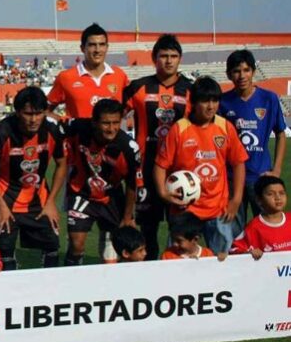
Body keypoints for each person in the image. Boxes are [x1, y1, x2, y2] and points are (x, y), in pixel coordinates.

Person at [154, 76, 248, 259]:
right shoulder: (180, 129)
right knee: (174, 261)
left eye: (215, 101)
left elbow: (238, 163)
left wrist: (236, 199)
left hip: (218, 209)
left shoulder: (225, 127)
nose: (210, 106)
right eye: (205, 101)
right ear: (194, 102)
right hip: (184, 210)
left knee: (222, 262)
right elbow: (160, 165)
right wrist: (164, 194)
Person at [0, 87, 67, 270]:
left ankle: (48, 295)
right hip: (6, 200)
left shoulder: (52, 130)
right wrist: (0, 204)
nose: (34, 119)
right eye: (28, 113)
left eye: (38, 113)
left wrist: (51, 202)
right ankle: (11, 296)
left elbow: (62, 164)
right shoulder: (1, 132)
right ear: (18, 111)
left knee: (52, 249)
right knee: (6, 255)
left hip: (40, 201)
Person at [123, 34, 192, 260]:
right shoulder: (139, 87)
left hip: (179, 172)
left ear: (180, 59)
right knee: (148, 230)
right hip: (146, 170)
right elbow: (113, 117)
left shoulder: (191, 90)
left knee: (180, 231)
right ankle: (151, 274)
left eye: (173, 56)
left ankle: (177, 277)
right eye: (163, 56)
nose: (169, 61)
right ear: (154, 59)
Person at [63, 99, 142, 266]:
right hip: (81, 192)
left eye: (115, 123)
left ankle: (111, 285)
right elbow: (52, 120)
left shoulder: (128, 147)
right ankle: (71, 281)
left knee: (114, 248)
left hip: (112, 196)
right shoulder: (79, 127)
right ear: (94, 122)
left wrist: (127, 217)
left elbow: (132, 184)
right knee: (76, 244)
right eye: (106, 123)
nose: (111, 128)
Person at [219, 50, 287, 235]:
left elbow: (281, 133)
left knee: (266, 230)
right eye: (236, 71)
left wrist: (277, 170)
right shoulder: (223, 102)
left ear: (253, 71)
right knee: (234, 233)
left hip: (261, 177)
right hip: (233, 178)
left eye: (246, 70)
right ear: (228, 75)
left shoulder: (269, 98)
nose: (242, 76)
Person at [47, 23, 129, 120]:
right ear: (82, 48)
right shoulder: (66, 77)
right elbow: (44, 110)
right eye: (92, 45)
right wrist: (64, 123)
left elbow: (130, 108)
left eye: (101, 44)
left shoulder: (119, 75)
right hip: (78, 135)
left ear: (107, 47)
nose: (97, 50)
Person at [230, 175, 291, 258]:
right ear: (259, 200)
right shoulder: (253, 228)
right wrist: (249, 253)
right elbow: (234, 249)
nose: (278, 197)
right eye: (270, 194)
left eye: (281, 193)